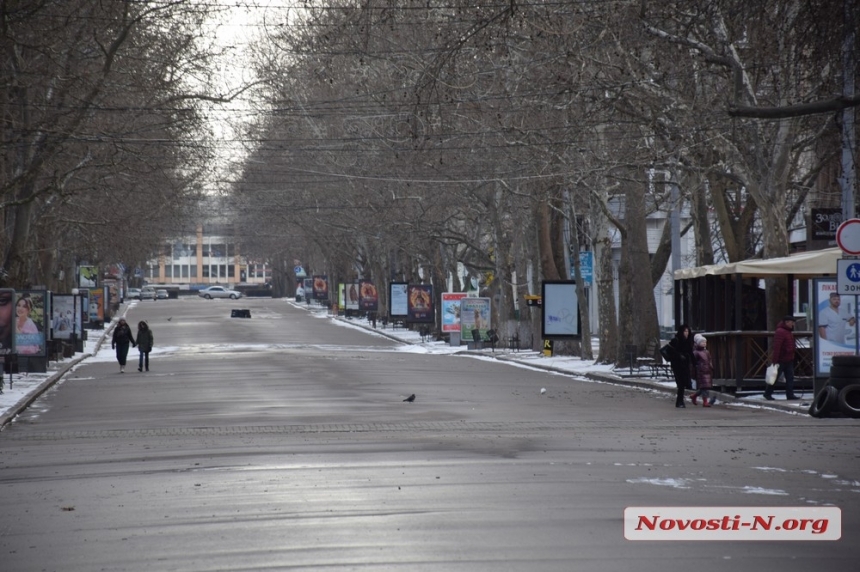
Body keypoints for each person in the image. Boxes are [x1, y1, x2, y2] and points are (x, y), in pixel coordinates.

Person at [765, 315, 797, 401]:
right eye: (791, 322)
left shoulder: (787, 331)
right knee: (774, 377)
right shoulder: (781, 332)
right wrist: (775, 360)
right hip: (781, 359)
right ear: (786, 322)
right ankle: (767, 393)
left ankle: (790, 395)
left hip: (788, 358)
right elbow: (777, 346)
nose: (793, 324)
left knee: (789, 377)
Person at [665, 325, 694, 408]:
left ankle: (680, 401)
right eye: (685, 331)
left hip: (685, 365)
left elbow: (690, 353)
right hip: (677, 365)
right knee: (681, 383)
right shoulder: (676, 340)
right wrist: (679, 355)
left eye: (688, 331)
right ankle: (679, 401)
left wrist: (695, 363)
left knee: (683, 383)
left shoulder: (688, 341)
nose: (687, 333)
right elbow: (671, 351)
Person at [691, 335, 714, 407]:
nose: (704, 343)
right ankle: (705, 402)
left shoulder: (706, 351)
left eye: (705, 342)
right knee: (704, 387)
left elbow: (709, 360)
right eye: (702, 342)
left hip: (707, 371)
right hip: (701, 371)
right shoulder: (696, 352)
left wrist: (711, 366)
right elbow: (693, 362)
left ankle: (694, 395)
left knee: (705, 387)